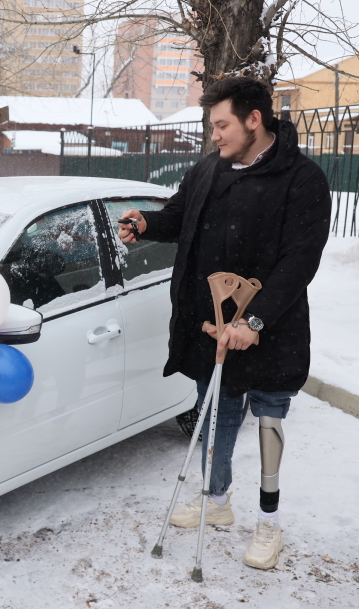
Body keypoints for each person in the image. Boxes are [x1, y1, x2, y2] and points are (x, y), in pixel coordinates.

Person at [118, 77, 331, 570]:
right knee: (216, 412)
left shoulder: (303, 180)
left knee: (269, 420)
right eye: (212, 126)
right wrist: (148, 223)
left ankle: (268, 523)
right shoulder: (209, 169)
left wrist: (255, 319)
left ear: (254, 120)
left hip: (271, 329)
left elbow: (300, 261)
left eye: (222, 125)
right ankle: (217, 502)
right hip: (212, 324)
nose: (214, 135)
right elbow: (178, 214)